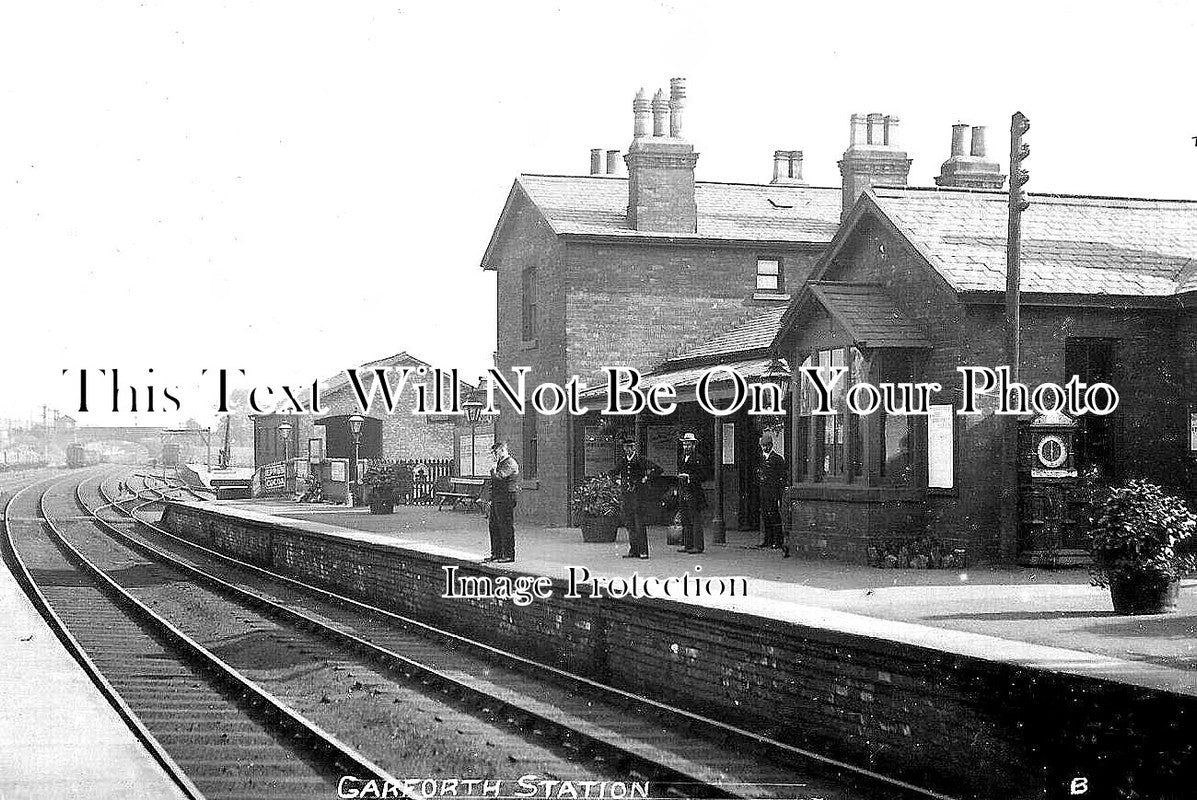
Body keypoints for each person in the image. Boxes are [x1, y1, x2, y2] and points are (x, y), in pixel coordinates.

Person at [609, 437, 662, 559]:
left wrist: (646, 478)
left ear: (634, 448)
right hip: (627, 497)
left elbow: (658, 469)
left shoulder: (640, 460)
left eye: (631, 447)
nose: (628, 449)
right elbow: (612, 472)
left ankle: (643, 551)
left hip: (638, 496)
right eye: (626, 447)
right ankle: (634, 550)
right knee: (630, 524)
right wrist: (617, 481)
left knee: (639, 524)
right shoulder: (623, 461)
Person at [484, 441, 520, 563]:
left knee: (505, 526)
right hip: (498, 498)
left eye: (496, 452)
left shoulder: (510, 463)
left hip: (506, 497)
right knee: (494, 526)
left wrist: (493, 468)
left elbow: (499, 477)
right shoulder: (501, 463)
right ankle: (496, 553)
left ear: (503, 450)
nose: (494, 455)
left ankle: (508, 555)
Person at [675, 432, 709, 554]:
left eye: (688, 444)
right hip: (683, 490)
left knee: (695, 519)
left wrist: (689, 477)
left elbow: (704, 476)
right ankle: (687, 544)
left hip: (694, 491)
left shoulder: (699, 458)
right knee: (685, 518)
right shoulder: (681, 457)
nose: (686, 447)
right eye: (684, 444)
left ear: (694, 445)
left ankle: (698, 546)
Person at [755, 432, 788, 553]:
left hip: (773, 492)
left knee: (774, 515)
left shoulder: (777, 459)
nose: (765, 448)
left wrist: (779, 494)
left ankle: (777, 540)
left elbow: (782, 477)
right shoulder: (760, 459)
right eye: (763, 446)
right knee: (765, 515)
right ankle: (767, 540)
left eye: (767, 445)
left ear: (771, 445)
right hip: (763, 491)